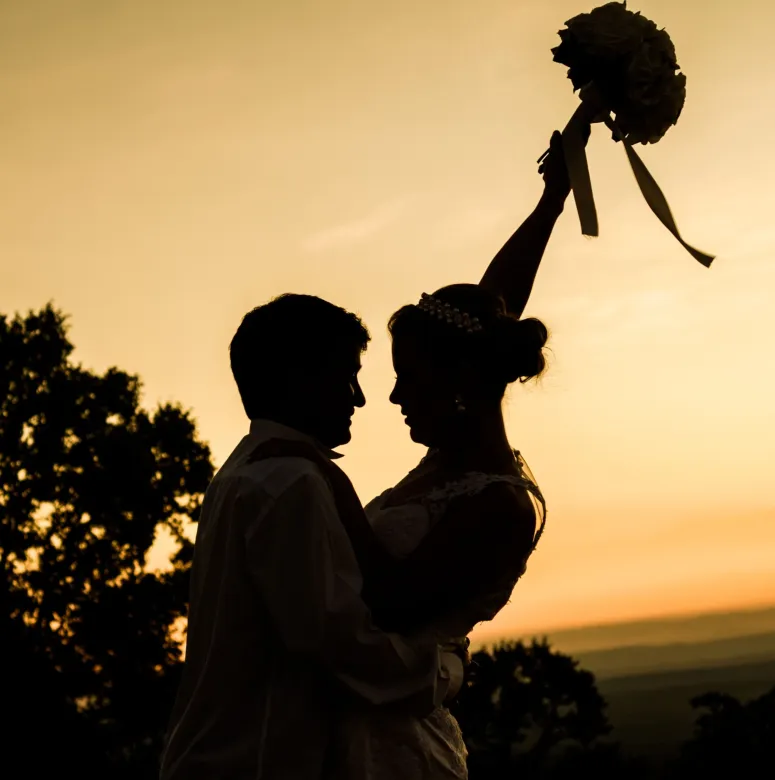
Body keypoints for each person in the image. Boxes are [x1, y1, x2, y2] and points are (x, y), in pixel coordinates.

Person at [249, 131, 579, 779]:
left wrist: (322, 475)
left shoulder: (500, 506)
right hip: (337, 730)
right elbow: (494, 301)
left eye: (409, 376)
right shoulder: (450, 463)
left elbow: (388, 602)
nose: (393, 395)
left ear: (458, 383)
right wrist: (550, 205)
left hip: (392, 752)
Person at [159, 294, 466, 780]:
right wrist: (445, 672)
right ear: (297, 378)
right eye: (346, 375)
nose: (359, 397)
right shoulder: (291, 482)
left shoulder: (242, 471)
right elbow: (334, 642)